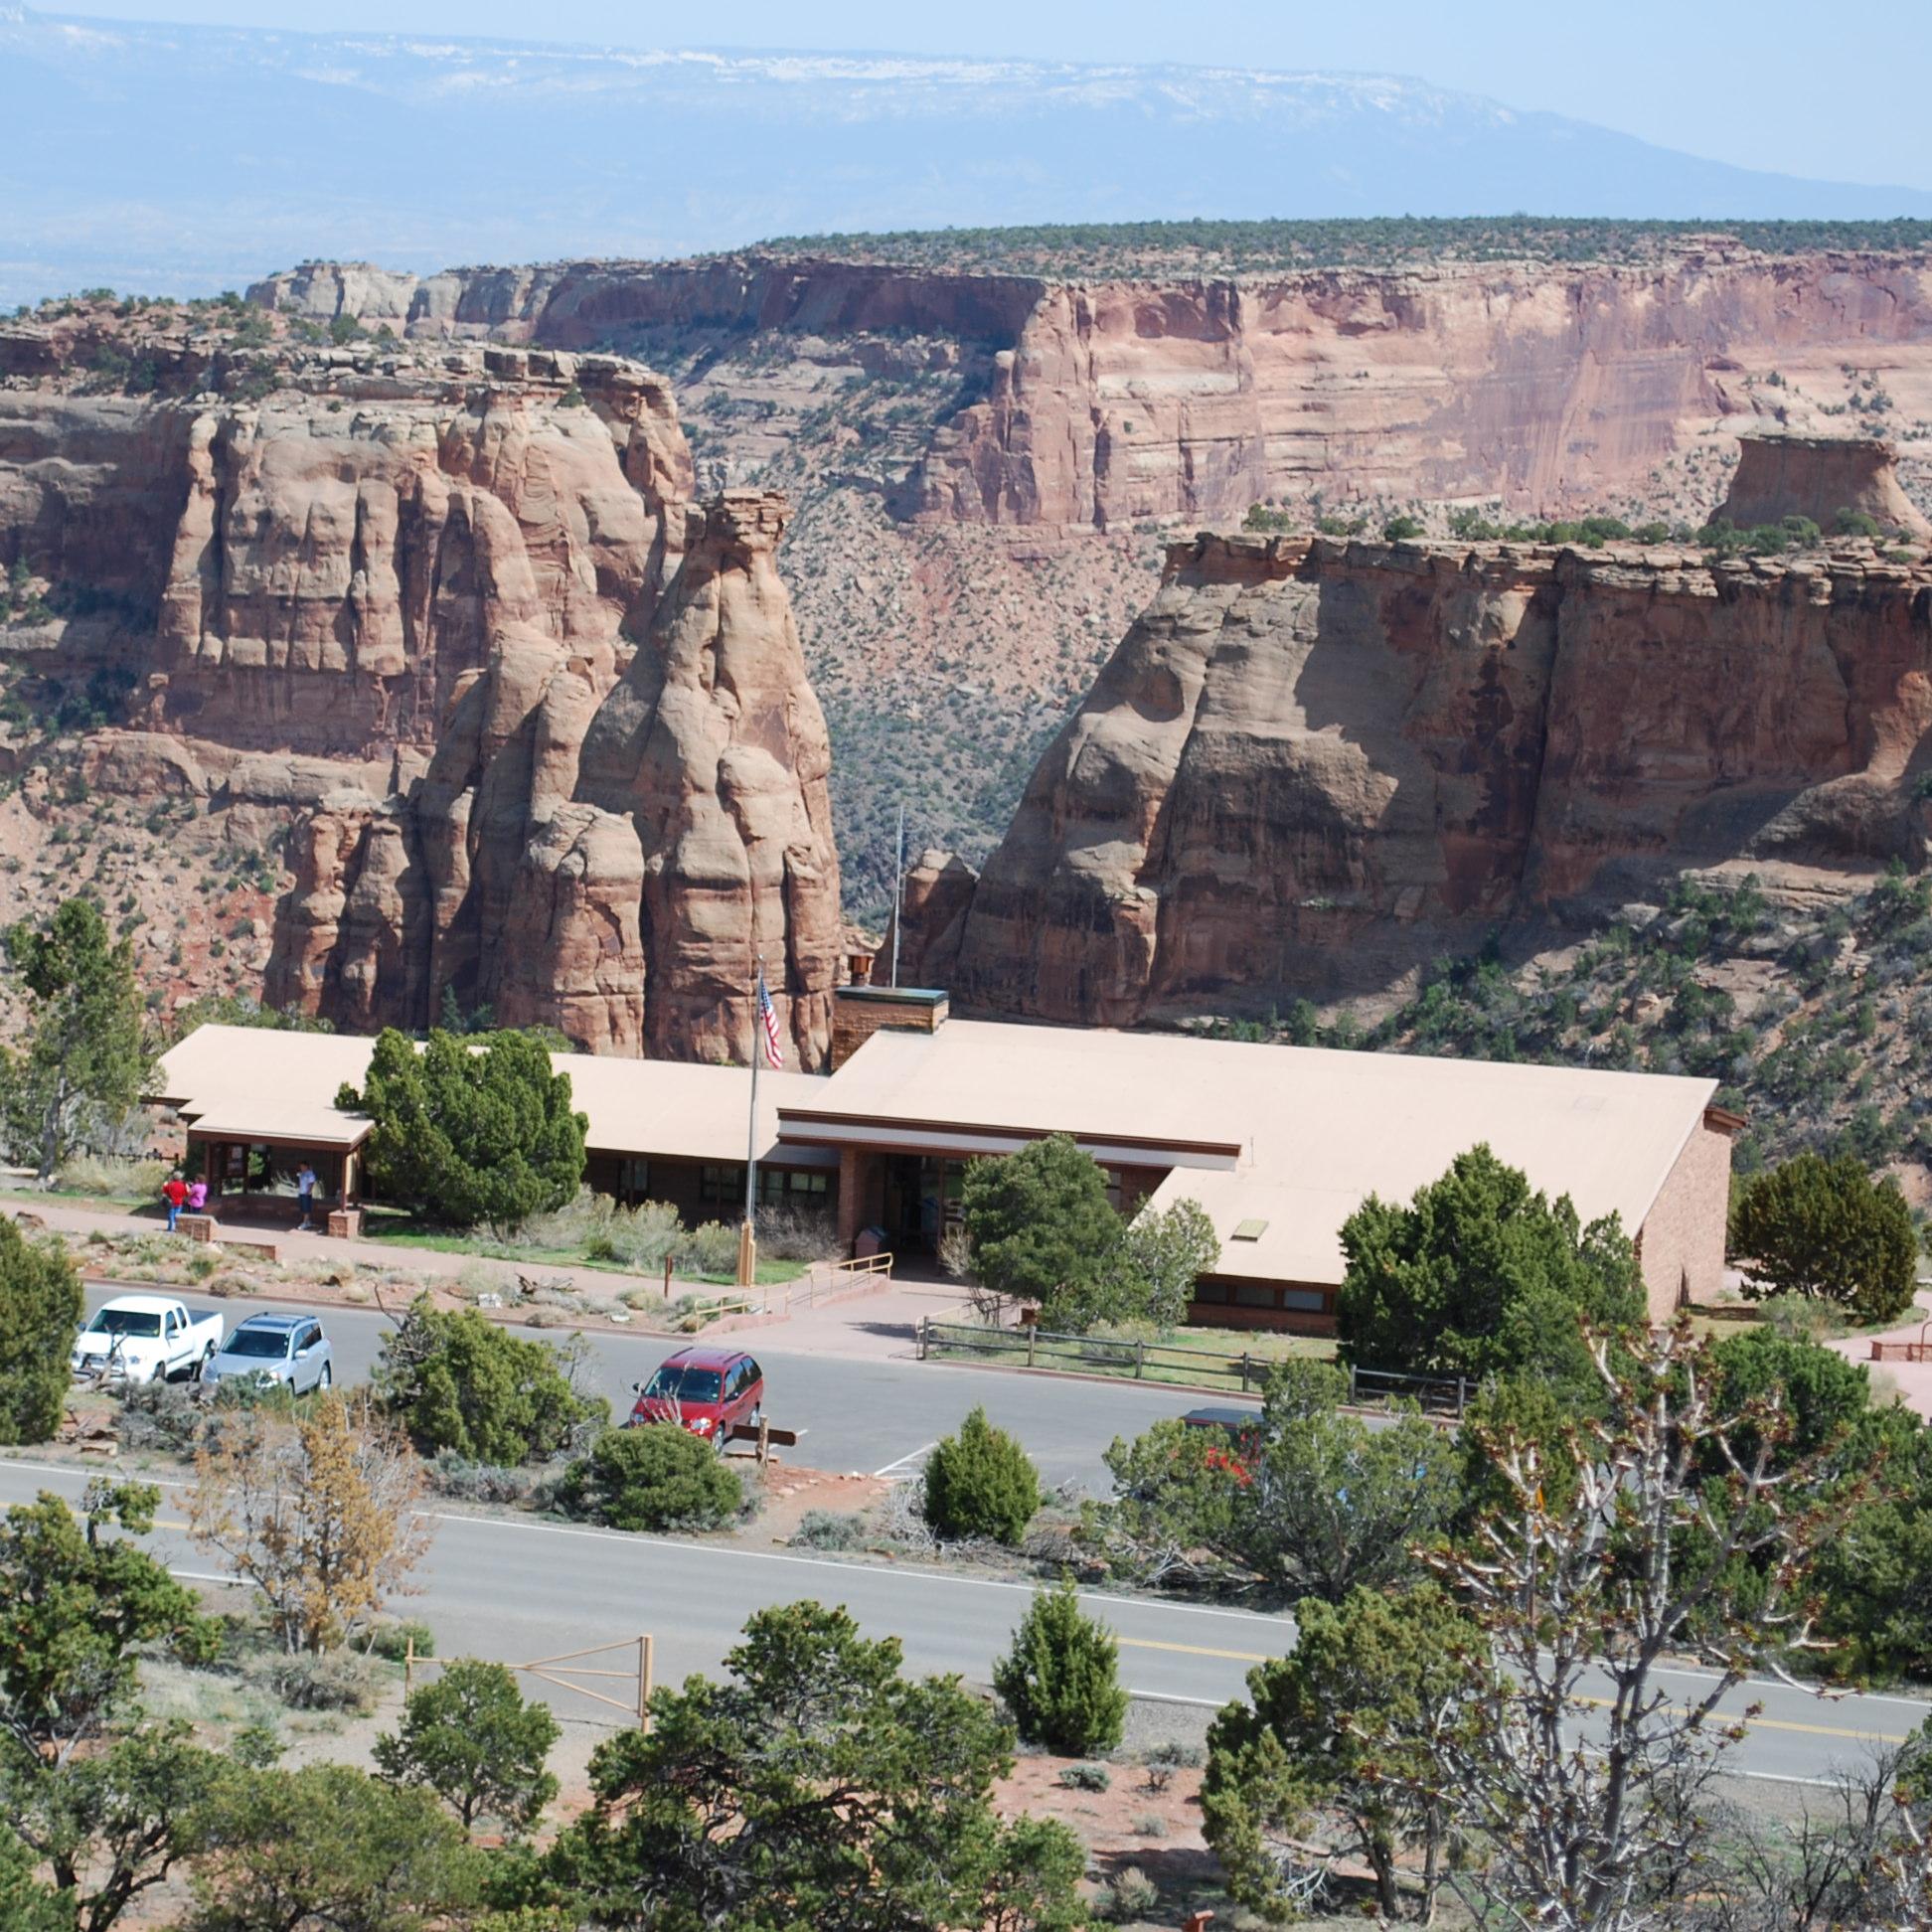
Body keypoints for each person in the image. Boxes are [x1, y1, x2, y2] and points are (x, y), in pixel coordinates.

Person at [295, 1162, 317, 1231]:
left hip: (306, 1194)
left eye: (302, 1166)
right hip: (301, 1192)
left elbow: (311, 1183)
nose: (301, 1168)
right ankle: (307, 1222)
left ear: (306, 1166)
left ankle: (304, 1223)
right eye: (300, 1166)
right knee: (303, 1208)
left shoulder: (310, 1173)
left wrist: (308, 1191)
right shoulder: (302, 1173)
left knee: (306, 1209)